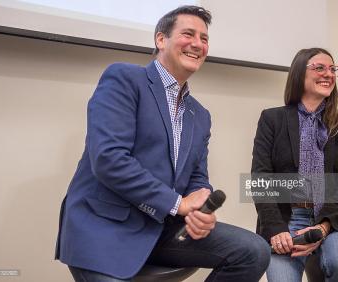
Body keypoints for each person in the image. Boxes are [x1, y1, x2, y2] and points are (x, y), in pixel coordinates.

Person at [55, 5, 270, 282]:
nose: (197, 44)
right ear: (160, 40)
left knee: (254, 250)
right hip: (105, 228)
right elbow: (108, 158)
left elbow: (196, 177)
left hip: (160, 228)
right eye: (188, 34)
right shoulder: (124, 78)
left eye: (204, 39)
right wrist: (178, 204)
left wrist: (200, 209)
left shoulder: (200, 115)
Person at [251, 48, 338, 281]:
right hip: (286, 217)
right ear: (298, 74)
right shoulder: (271, 119)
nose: (328, 74)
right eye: (319, 68)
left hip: (335, 217)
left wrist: (323, 227)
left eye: (332, 69)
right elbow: (260, 180)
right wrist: (275, 229)